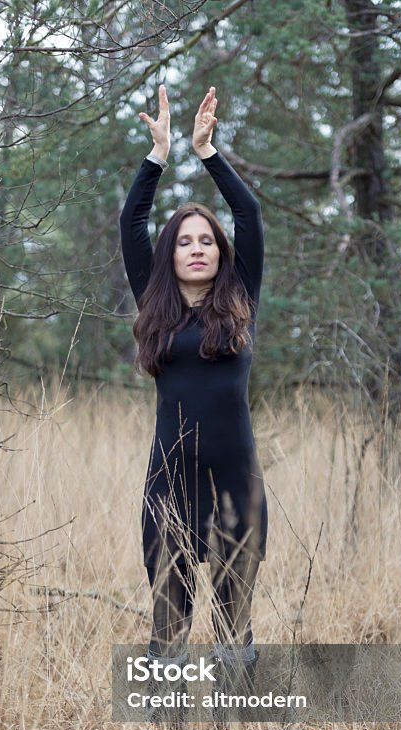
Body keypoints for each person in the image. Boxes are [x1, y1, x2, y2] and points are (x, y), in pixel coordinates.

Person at [119, 84, 268, 697]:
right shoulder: (155, 309)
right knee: (169, 629)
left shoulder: (240, 301)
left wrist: (207, 152)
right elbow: (132, 221)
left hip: (236, 484)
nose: (198, 247)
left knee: (235, 630)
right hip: (169, 485)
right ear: (169, 255)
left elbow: (250, 216)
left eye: (206, 239)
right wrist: (157, 155)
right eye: (185, 240)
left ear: (220, 253)